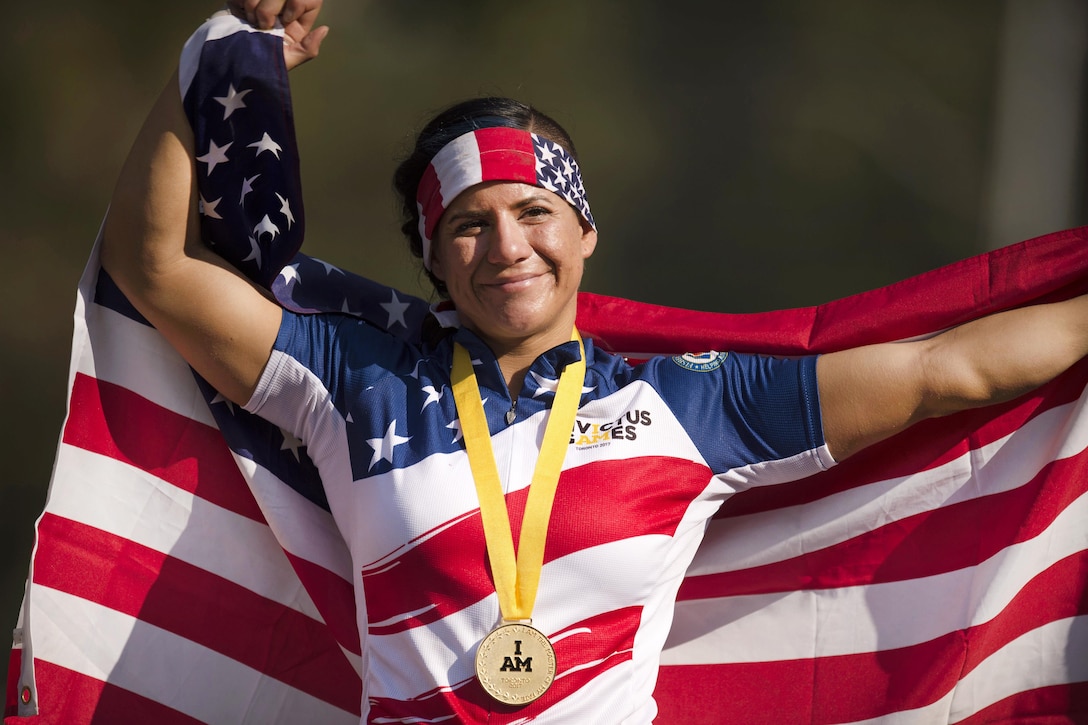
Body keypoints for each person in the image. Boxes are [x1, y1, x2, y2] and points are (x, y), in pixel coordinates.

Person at [99, 0, 1088, 721]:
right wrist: (217, 62)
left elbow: (944, 372)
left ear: (584, 235)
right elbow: (152, 266)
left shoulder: (693, 405)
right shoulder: (350, 380)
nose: (507, 246)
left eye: (535, 213)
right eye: (470, 227)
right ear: (435, 256)